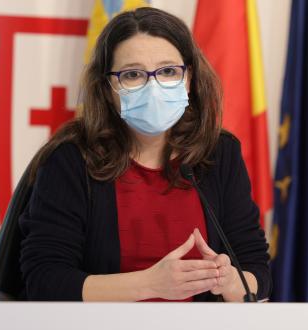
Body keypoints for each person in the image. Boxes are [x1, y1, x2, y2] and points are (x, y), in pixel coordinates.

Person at [19, 7, 270, 302]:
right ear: (107, 88)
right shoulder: (71, 158)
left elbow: (256, 272)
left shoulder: (218, 153)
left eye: (167, 71)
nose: (153, 86)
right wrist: (150, 285)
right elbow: (44, 280)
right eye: (133, 75)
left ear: (189, 78)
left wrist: (229, 280)